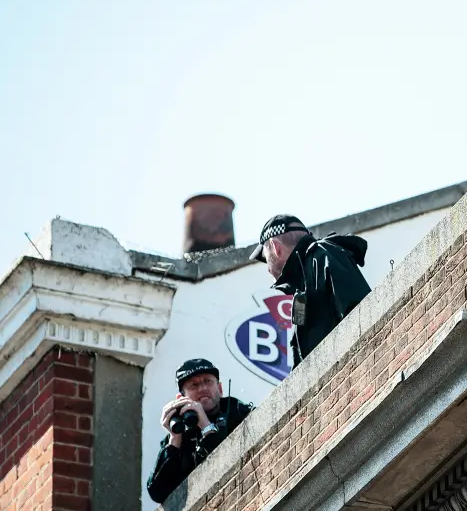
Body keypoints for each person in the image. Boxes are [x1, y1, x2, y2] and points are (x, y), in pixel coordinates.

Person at [249, 214, 372, 367]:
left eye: (266, 258)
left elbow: (361, 317)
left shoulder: (323, 256)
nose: (268, 269)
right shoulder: (305, 282)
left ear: (275, 247)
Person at [146, 359, 253, 504]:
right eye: (194, 385)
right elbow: (157, 494)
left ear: (220, 389)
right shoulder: (179, 434)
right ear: (181, 398)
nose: (202, 388)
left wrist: (206, 426)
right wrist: (174, 440)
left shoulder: (239, 413)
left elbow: (227, 467)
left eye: (208, 381)